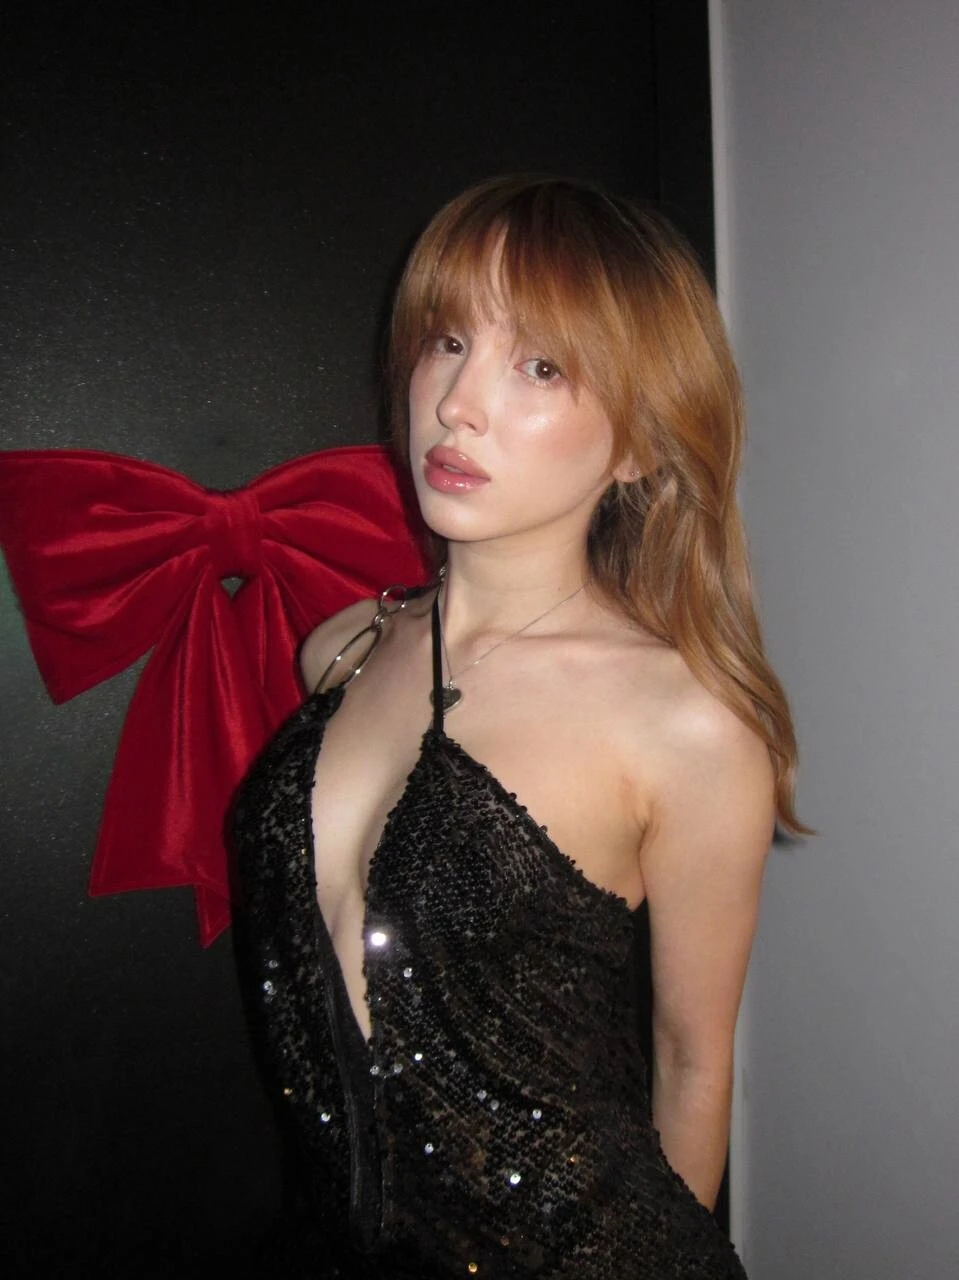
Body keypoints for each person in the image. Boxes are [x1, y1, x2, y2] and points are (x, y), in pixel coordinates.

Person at [233, 175, 803, 1278]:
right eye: (447, 341)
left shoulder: (685, 724)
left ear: (637, 444)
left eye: (539, 366)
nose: (457, 403)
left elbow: (691, 1059)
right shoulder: (342, 649)